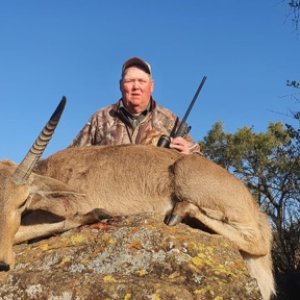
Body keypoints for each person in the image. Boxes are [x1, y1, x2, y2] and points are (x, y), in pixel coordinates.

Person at [69, 57, 201, 154]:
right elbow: (71, 157)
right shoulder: (100, 118)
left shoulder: (171, 120)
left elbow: (200, 159)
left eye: (142, 81)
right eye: (130, 81)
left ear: (152, 86)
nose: (136, 86)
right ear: (120, 86)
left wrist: (189, 155)